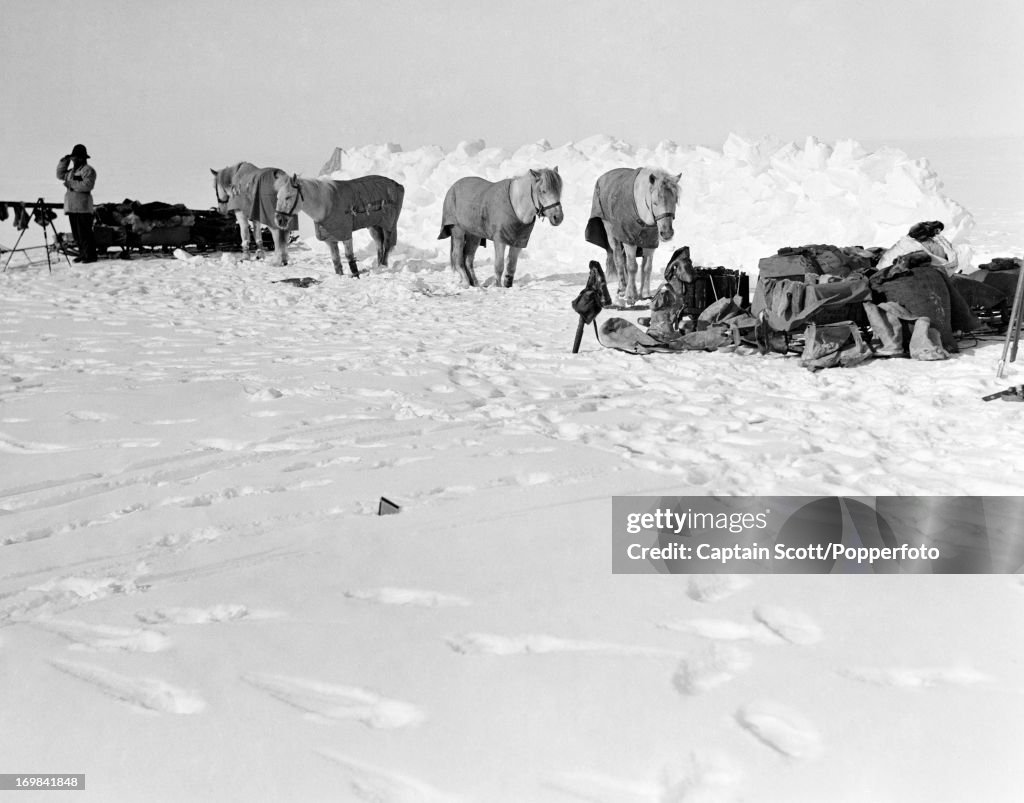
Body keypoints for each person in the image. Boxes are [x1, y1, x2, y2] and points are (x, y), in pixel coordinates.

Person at [56, 144, 98, 263]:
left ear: (81, 158)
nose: (74, 160)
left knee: (85, 233)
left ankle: (90, 255)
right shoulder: (72, 172)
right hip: (72, 206)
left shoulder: (88, 170)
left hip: (83, 207)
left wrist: (71, 184)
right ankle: (83, 254)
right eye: (72, 158)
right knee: (77, 234)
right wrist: (64, 161)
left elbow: (88, 185)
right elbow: (60, 175)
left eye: (75, 158)